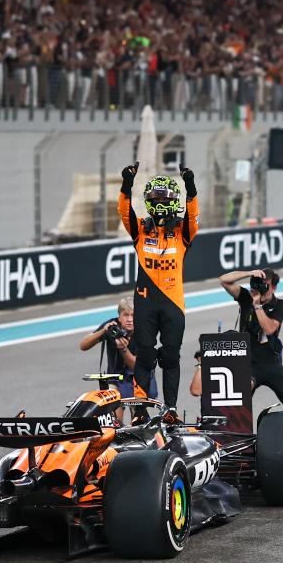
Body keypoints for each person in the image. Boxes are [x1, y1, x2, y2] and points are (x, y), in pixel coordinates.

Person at [117, 160, 199, 422]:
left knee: (171, 356)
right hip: (145, 301)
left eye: (165, 197)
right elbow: (124, 212)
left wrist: (190, 186)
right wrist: (127, 184)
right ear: (149, 201)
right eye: (156, 197)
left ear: (174, 200)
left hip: (173, 303)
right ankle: (140, 409)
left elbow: (193, 215)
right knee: (145, 353)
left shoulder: (183, 232)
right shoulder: (141, 229)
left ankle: (170, 409)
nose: (161, 201)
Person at [218, 267, 283, 412]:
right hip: (247, 362)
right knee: (238, 402)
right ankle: (236, 425)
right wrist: (249, 273)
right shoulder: (246, 297)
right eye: (258, 284)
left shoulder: (279, 305)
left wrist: (257, 306)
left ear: (274, 287)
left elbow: (269, 329)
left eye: (265, 285)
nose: (261, 289)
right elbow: (223, 280)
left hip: (271, 362)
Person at [78, 296, 157, 423]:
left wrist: (124, 350)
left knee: (137, 420)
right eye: (126, 315)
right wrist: (103, 332)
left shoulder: (145, 331)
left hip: (138, 378)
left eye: (133, 315)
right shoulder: (112, 327)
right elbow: (83, 346)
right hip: (116, 377)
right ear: (119, 317)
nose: (129, 319)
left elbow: (136, 367)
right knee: (115, 420)